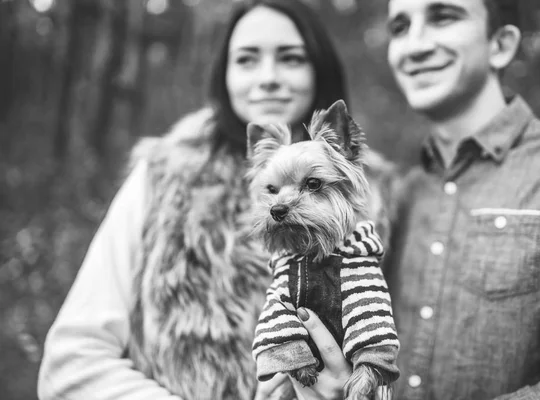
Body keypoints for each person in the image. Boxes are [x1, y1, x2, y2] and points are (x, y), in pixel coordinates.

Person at [36, 1, 401, 400]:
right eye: (246, 59)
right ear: (224, 75)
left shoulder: (382, 197)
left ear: (320, 69)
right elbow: (71, 364)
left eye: (291, 58)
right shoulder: (164, 177)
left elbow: (399, 352)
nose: (268, 78)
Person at [382, 0, 540, 399]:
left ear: (500, 44)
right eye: (399, 27)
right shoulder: (395, 193)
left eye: (443, 17)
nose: (413, 46)